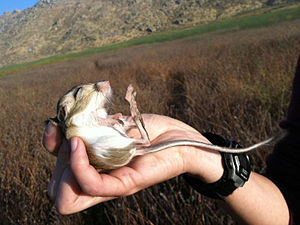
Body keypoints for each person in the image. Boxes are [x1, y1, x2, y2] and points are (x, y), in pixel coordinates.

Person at [42, 55, 300, 225]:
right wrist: (191, 153)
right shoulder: (76, 124)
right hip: (119, 147)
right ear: (67, 109)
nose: (97, 86)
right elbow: (290, 200)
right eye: (79, 93)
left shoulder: (83, 122)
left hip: (121, 146)